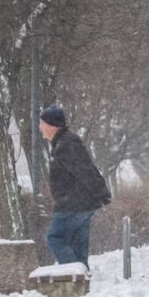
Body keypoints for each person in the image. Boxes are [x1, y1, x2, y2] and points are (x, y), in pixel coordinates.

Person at [39, 105, 110, 272]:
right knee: (78, 247)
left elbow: (84, 170)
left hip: (72, 204)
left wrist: (100, 191)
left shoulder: (66, 145)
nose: (39, 127)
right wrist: (100, 192)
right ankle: (82, 284)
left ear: (51, 124)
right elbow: (87, 168)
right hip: (81, 204)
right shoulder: (65, 142)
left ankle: (75, 275)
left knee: (54, 238)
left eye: (42, 123)